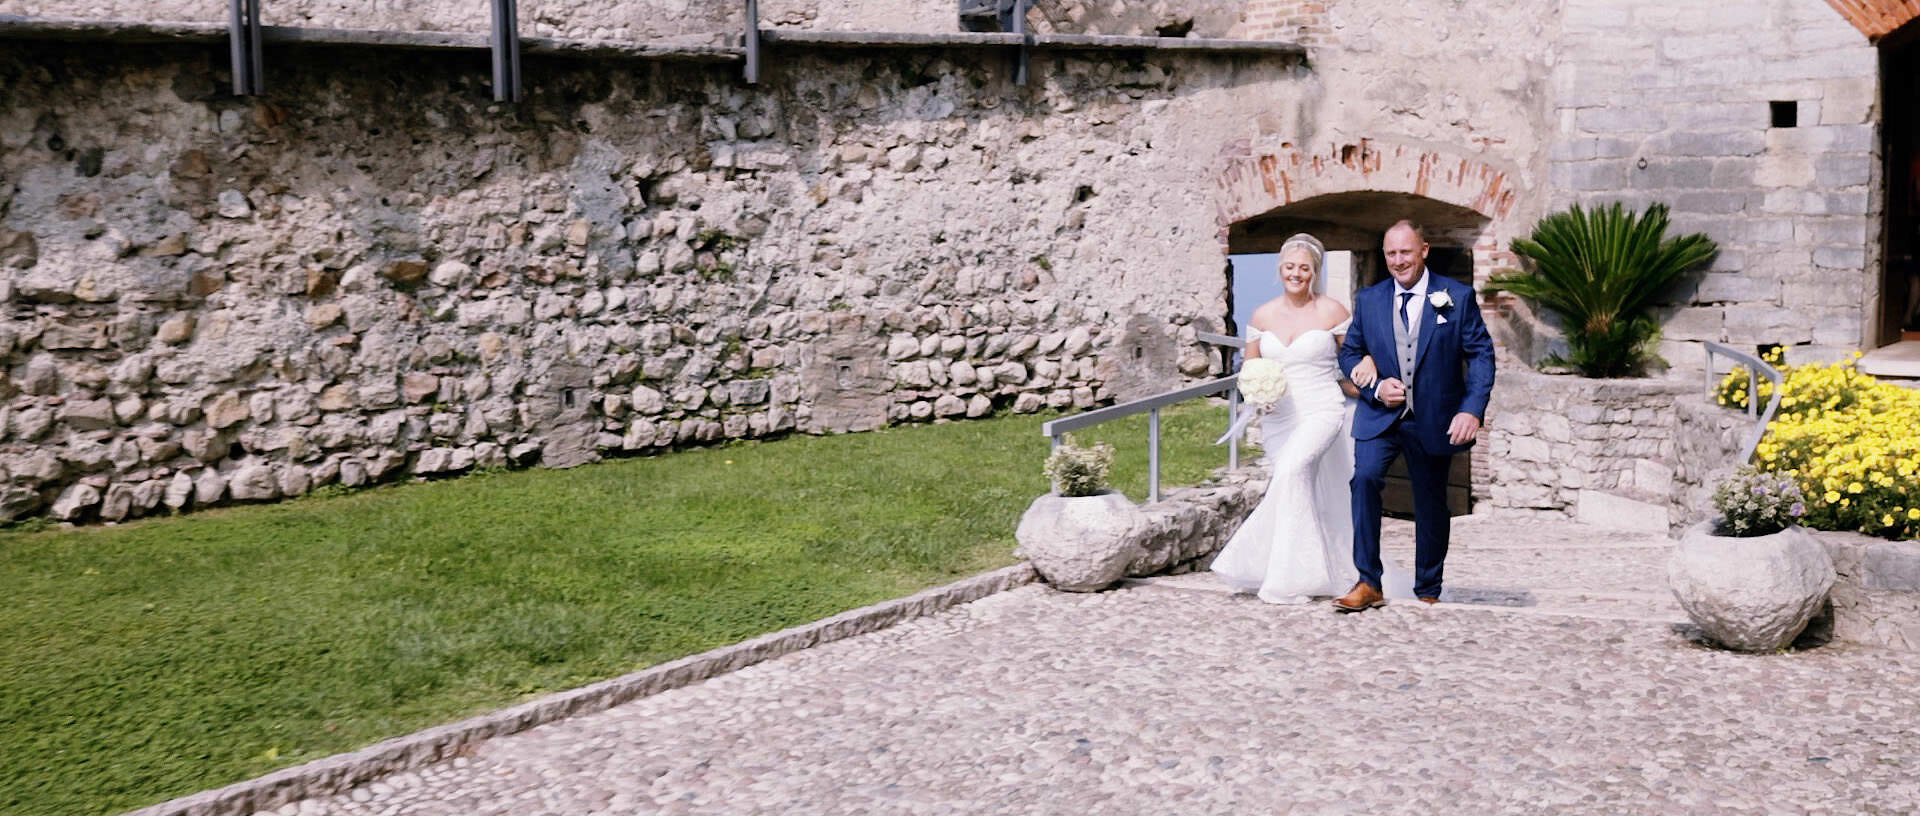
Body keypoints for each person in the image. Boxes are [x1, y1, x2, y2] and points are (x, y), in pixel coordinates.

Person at [1211, 234, 1401, 604]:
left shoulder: (1332, 311)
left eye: (1304, 268)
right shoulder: (1261, 315)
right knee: (1298, 485)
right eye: (1289, 267)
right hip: (1278, 416)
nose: (1296, 274)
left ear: (1314, 272)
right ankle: (1308, 568)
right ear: (1279, 269)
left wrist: (1371, 381)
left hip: (1321, 408)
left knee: (1291, 472)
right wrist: (1256, 390)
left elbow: (1358, 357)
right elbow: (1251, 366)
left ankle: (1291, 577)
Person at [1333, 221, 1496, 612]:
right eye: (1390, 253)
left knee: (1430, 501)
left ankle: (1428, 585)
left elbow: (1481, 355)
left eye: (1405, 252)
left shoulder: (1455, 296)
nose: (1397, 261)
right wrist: (1374, 388)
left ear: (1424, 250)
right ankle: (1368, 581)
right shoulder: (1369, 299)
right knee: (1365, 480)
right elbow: (1349, 353)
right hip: (1378, 417)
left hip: (1433, 417)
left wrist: (1471, 410)